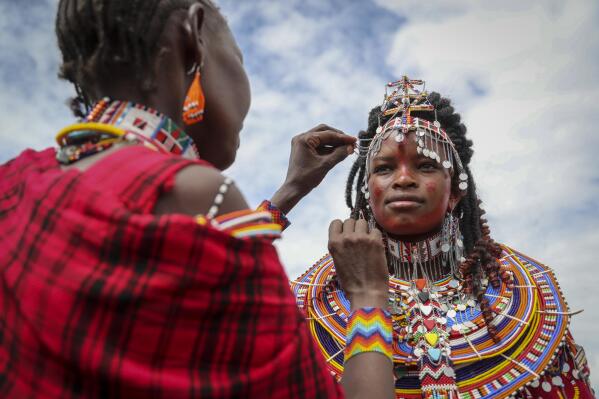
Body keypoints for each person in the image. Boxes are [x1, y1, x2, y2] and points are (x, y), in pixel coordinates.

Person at [0, 1, 396, 398]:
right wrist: (368, 295)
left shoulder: (16, 180)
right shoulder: (201, 194)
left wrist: (289, 191)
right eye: (238, 60)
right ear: (194, 37)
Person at [292, 76, 595, 398]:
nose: (404, 179)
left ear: (455, 192)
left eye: (425, 166)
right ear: (367, 192)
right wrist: (290, 191)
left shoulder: (526, 291)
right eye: (384, 168)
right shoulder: (311, 300)